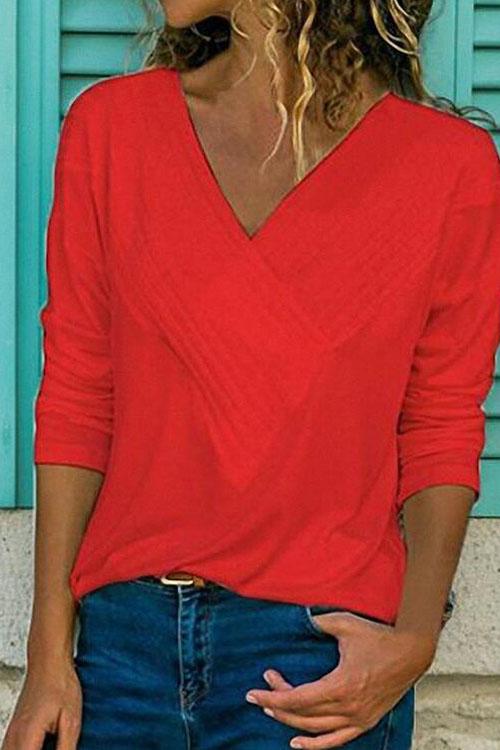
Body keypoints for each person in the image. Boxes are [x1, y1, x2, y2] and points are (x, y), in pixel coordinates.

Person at [3, 1, 500, 749]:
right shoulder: (111, 128)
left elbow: (441, 420)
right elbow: (78, 391)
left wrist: (414, 641)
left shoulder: (446, 165)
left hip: (318, 662)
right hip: (118, 656)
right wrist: (48, 655)